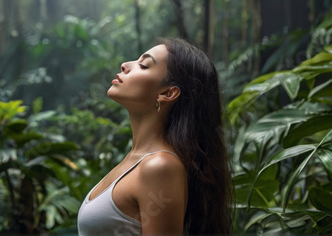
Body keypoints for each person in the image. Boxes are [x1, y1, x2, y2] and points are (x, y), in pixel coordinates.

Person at [77, 38, 233, 235]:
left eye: (144, 65)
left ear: (167, 93)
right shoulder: (136, 160)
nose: (125, 65)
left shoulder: (160, 166)